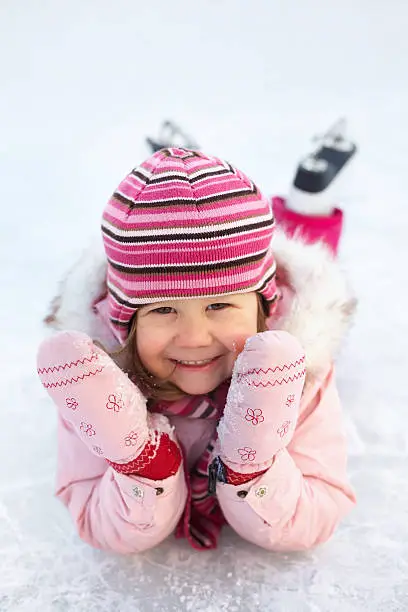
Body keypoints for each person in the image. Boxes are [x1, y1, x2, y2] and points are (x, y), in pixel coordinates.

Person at [37, 147, 357, 554]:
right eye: (164, 308)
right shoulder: (91, 380)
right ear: (125, 320)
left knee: (314, 249)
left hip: (272, 311)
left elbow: (316, 514)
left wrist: (254, 467)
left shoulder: (296, 371)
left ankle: (306, 206)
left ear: (264, 306)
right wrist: (141, 463)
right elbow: (97, 522)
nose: (194, 337)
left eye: (219, 305)